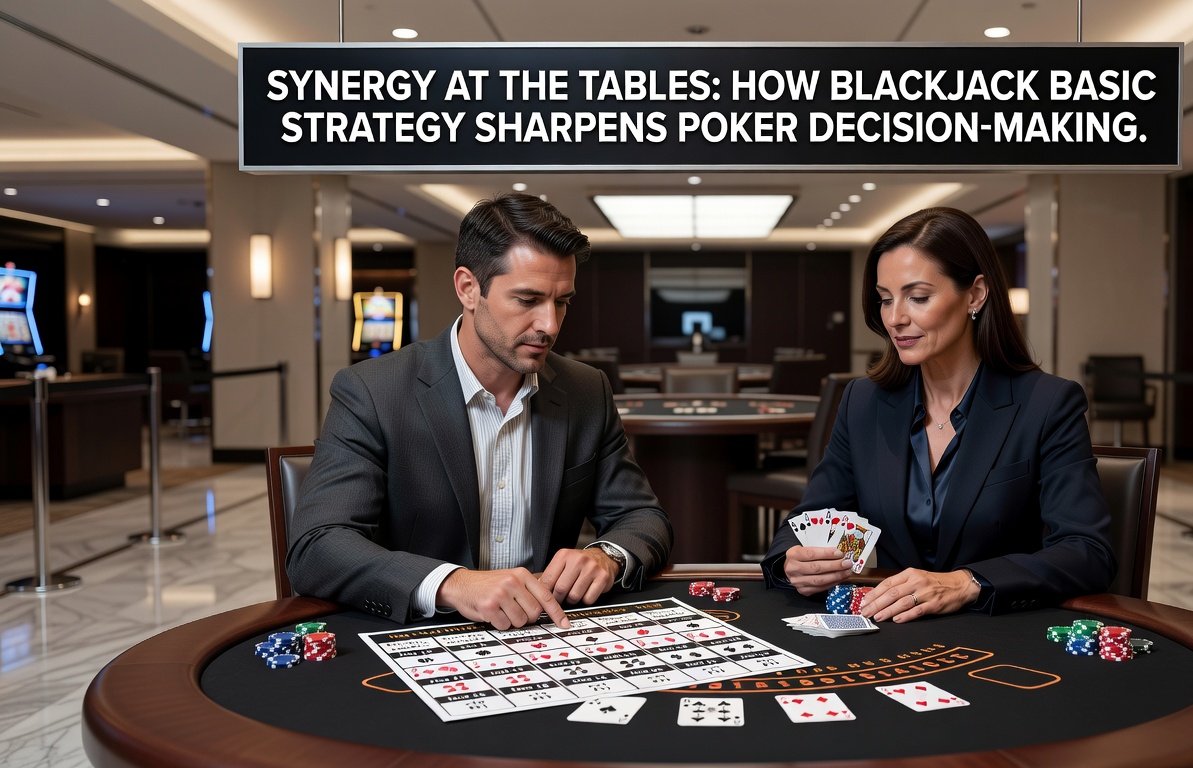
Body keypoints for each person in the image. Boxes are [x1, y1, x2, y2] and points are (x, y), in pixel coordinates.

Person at [288, 193, 672, 629]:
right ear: (468, 289)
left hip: (546, 636)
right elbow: (317, 546)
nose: (549, 324)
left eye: (562, 302)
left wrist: (606, 557)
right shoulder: (372, 391)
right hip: (420, 634)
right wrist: (452, 583)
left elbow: (643, 517)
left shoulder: (587, 390)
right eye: (527, 300)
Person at [761, 207, 1114, 621]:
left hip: (998, 637)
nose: (895, 319)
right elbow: (808, 518)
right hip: (885, 630)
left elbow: (1087, 552)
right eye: (885, 299)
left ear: (975, 295)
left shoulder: (1048, 403)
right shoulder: (864, 401)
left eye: (919, 297)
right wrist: (791, 560)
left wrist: (968, 581)